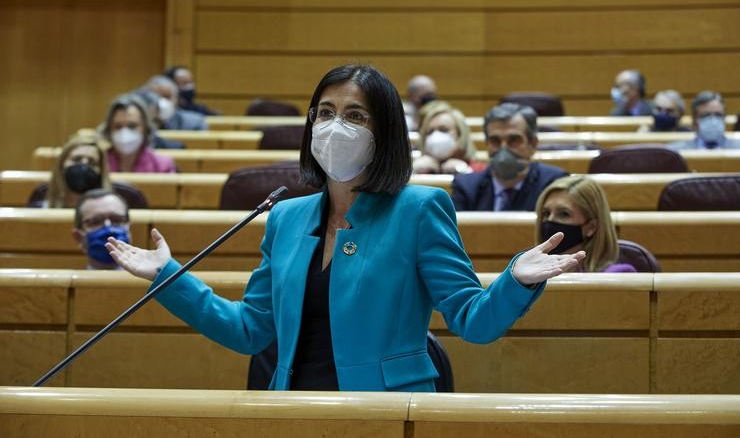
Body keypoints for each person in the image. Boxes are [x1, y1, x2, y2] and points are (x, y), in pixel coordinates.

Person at [106, 64, 585, 392]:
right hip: (293, 412)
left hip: (387, 411)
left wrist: (516, 279)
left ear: (386, 133)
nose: (337, 126)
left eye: (355, 115)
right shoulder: (287, 218)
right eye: (326, 112)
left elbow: (473, 322)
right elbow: (249, 331)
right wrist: (168, 277)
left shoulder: (420, 209)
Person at [451, 103, 568, 211]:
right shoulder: (466, 186)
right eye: (495, 141)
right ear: (487, 144)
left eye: (514, 140)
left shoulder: (553, 183)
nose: (503, 149)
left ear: (533, 144)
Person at [535, 176, 637, 273]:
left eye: (564, 214)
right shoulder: (527, 270)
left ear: (591, 227)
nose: (550, 220)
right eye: (546, 213)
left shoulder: (618, 275)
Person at [100, 93, 177, 173]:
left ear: (146, 128)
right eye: (118, 126)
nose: (124, 132)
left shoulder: (162, 166)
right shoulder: (99, 163)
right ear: (109, 129)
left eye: (132, 126)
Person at [412, 100, 483, 174]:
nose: (436, 136)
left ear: (460, 134)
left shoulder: (478, 169)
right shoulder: (417, 168)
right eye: (430, 132)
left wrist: (464, 170)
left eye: (443, 130)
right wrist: (413, 171)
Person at [43, 134, 112, 208]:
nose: (84, 165)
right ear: (62, 164)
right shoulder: (42, 205)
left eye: (92, 162)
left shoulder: (111, 208)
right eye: (76, 159)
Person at [72, 189, 131, 270]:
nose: (109, 229)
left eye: (116, 220)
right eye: (96, 222)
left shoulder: (152, 281)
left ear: (129, 229)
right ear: (78, 237)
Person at [667, 91, 740, 150]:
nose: (713, 121)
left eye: (718, 115)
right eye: (706, 115)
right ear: (694, 120)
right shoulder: (676, 152)